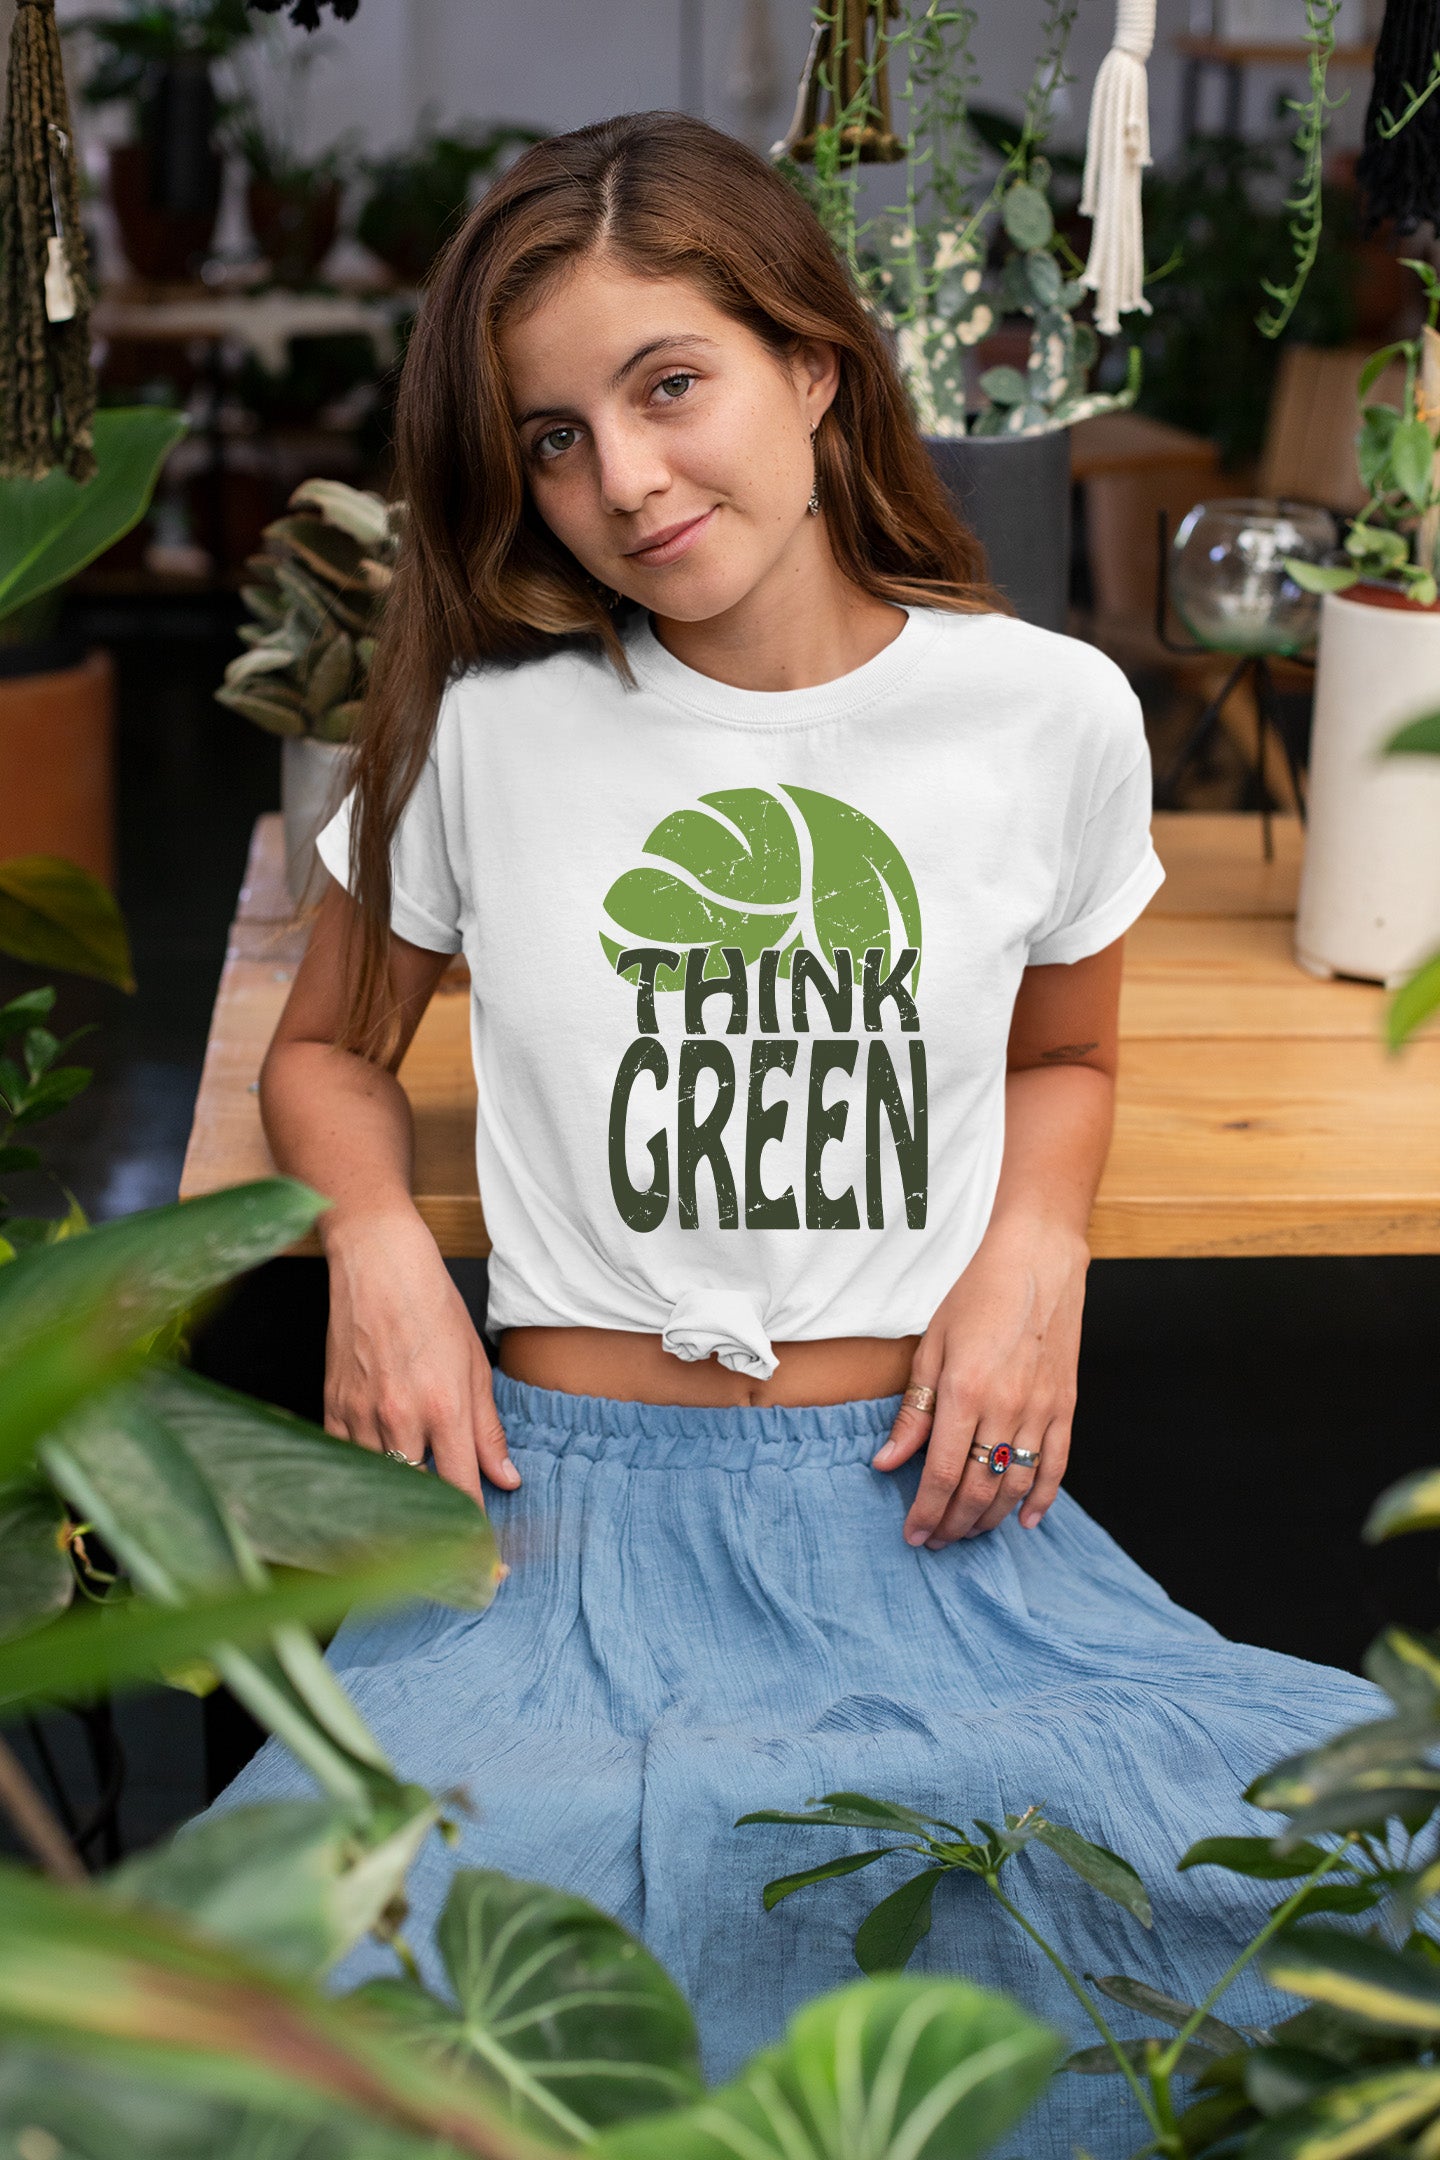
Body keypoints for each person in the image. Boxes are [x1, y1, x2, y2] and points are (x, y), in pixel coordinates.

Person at [221, 111, 1378, 2155]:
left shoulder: (1048, 718)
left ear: (816, 361)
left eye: (670, 385)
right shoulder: (490, 729)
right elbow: (325, 1049)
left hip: (927, 1530)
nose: (625, 480)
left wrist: (1037, 1253)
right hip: (555, 1539)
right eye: (553, 436)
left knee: (1311, 1897)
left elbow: (1065, 1058)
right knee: (288, 1990)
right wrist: (385, 1243)